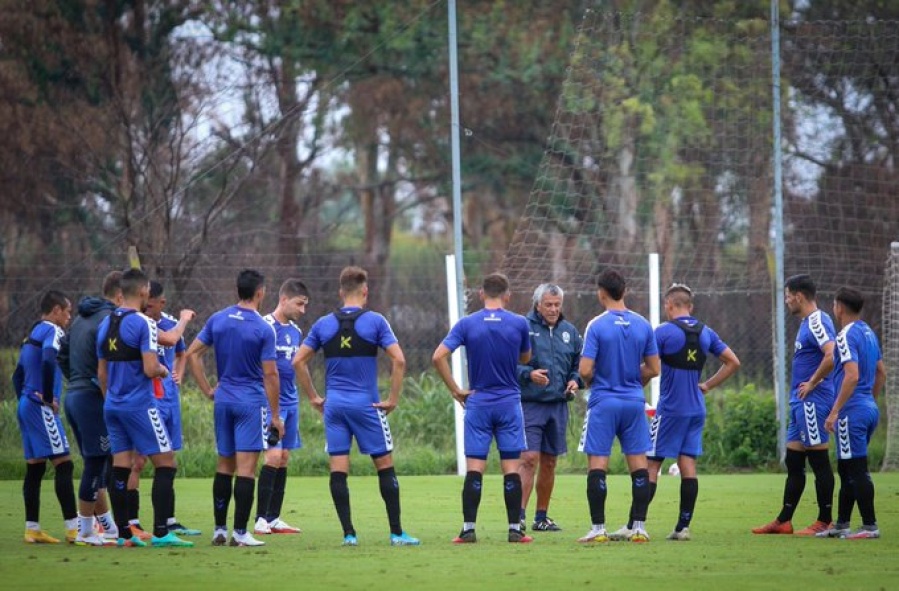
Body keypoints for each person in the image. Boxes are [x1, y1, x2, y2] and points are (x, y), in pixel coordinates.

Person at [294, 266, 419, 547]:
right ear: (365, 291)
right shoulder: (375, 321)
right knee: (384, 466)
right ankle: (397, 533)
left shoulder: (323, 324)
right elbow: (399, 360)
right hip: (367, 405)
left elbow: (297, 361)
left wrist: (314, 396)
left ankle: (349, 534)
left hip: (334, 406)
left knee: (338, 468)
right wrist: (393, 399)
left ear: (340, 292)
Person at [613, 283, 740, 541]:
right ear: (690, 307)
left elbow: (649, 367)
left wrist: (629, 384)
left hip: (670, 410)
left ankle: (635, 524)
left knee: (650, 464)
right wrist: (707, 385)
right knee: (687, 464)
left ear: (668, 305)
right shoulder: (706, 332)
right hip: (696, 409)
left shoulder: (663, 332)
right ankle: (683, 527)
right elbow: (733, 362)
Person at [432, 272, 534, 545]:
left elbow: (438, 356)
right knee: (511, 467)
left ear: (480, 294)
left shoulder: (467, 324)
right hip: (509, 402)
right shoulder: (519, 323)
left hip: (477, 402)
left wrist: (456, 390)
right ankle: (515, 529)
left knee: (475, 467)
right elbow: (526, 358)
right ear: (507, 295)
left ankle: (468, 529)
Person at [186, 269, 284, 547]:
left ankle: (219, 529)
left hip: (224, 401)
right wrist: (275, 415)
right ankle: (240, 533)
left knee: (224, 465)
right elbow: (271, 375)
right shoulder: (264, 328)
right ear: (260, 292)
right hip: (250, 403)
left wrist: (207, 389)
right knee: (246, 469)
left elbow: (193, 353)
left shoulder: (218, 319)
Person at [97, 267, 193, 548]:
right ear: (142, 292)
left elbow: (101, 374)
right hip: (140, 406)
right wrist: (164, 371)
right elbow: (151, 368)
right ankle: (162, 532)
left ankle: (124, 535)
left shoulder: (106, 323)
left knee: (121, 467)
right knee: (166, 463)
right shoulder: (144, 324)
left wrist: (111, 399)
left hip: (112, 406)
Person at [576, 269, 660, 544]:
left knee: (598, 465)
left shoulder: (596, 325)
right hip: (634, 402)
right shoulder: (643, 324)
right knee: (639, 466)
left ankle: (598, 529)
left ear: (601, 293)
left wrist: (596, 378)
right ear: (624, 291)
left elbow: (585, 369)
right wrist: (633, 378)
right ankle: (638, 527)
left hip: (604, 402)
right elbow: (654, 368)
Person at [753, 274, 837, 536]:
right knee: (794, 460)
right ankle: (784, 520)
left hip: (813, 400)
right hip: (800, 403)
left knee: (819, 461)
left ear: (799, 296)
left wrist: (812, 382)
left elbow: (832, 354)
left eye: (788, 295)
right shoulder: (805, 323)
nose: (786, 300)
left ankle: (825, 520)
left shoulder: (817, 320)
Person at [123, 280, 200, 538]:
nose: (162, 304)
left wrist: (178, 374)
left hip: (168, 400)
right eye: (158, 300)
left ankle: (168, 520)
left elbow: (181, 352)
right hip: (146, 401)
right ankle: (132, 521)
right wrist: (184, 320)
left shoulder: (165, 320)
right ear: (147, 299)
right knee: (137, 461)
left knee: (168, 461)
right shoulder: (136, 324)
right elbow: (171, 338)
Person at [58, 271, 123, 545]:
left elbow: (61, 354)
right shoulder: (110, 320)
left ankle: (107, 526)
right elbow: (111, 363)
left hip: (74, 395)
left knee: (97, 460)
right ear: (121, 295)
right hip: (91, 397)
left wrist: (75, 379)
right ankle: (85, 531)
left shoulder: (82, 318)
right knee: (97, 462)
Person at [818, 287, 886, 539]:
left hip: (852, 411)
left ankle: (870, 526)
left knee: (856, 469)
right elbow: (882, 372)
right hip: (867, 408)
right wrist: (871, 400)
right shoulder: (868, 333)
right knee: (847, 468)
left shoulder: (845, 335)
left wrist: (835, 411)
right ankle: (842, 524)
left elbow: (852, 375)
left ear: (839, 308)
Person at [13, 290, 78, 544]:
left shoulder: (32, 334)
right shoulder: (53, 330)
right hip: (40, 406)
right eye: (67, 311)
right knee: (64, 463)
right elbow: (50, 359)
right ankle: (74, 529)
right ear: (55, 311)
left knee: (36, 468)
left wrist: (24, 399)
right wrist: (49, 397)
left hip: (26, 405)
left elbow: (17, 375)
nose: (69, 317)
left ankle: (32, 528)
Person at [517, 283, 582, 533]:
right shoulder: (523, 327)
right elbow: (509, 365)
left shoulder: (570, 332)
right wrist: (529, 374)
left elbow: (580, 364)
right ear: (537, 305)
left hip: (558, 406)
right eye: (549, 305)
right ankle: (518, 517)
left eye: (557, 305)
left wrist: (576, 380)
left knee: (550, 462)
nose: (554, 309)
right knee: (529, 458)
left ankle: (541, 517)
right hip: (530, 404)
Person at [254, 279, 310, 536]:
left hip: (291, 400)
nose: (302, 310)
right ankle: (260, 519)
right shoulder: (264, 326)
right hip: (269, 402)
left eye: (305, 305)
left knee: (284, 459)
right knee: (273, 457)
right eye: (299, 304)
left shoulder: (296, 332)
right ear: (284, 299)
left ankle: (274, 518)